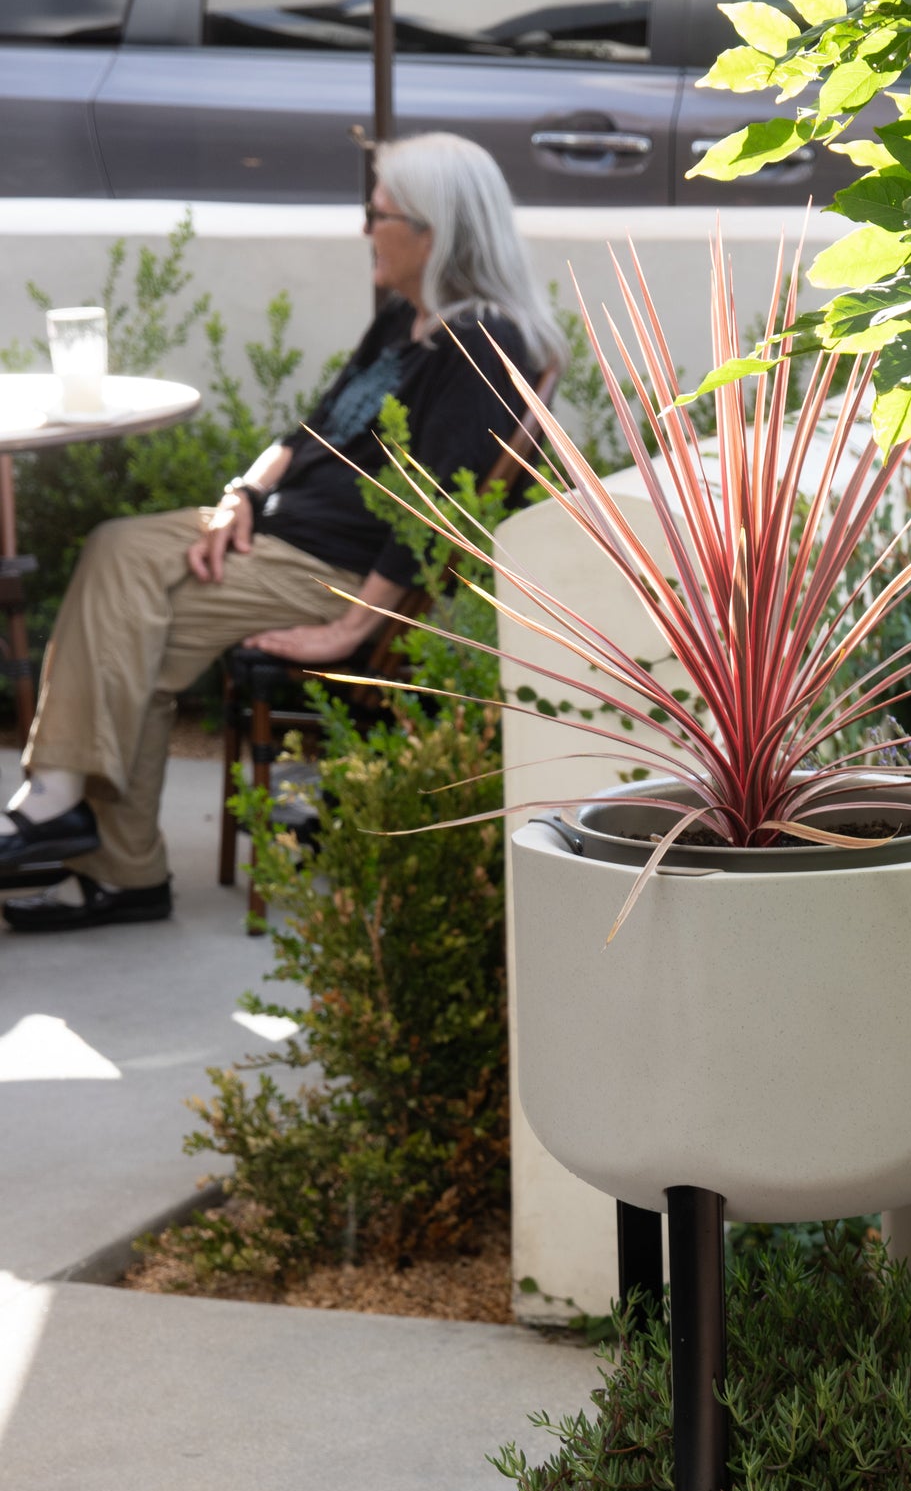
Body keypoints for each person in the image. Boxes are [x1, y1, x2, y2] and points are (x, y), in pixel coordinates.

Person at [0, 132, 566, 932]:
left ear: (431, 229)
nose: (365, 228)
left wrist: (352, 627)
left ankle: (102, 850)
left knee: (133, 634)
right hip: (269, 533)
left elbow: (436, 512)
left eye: (377, 213)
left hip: (328, 567)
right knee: (117, 551)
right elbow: (305, 431)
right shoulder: (404, 320)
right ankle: (80, 827)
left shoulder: (482, 345)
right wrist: (240, 492)